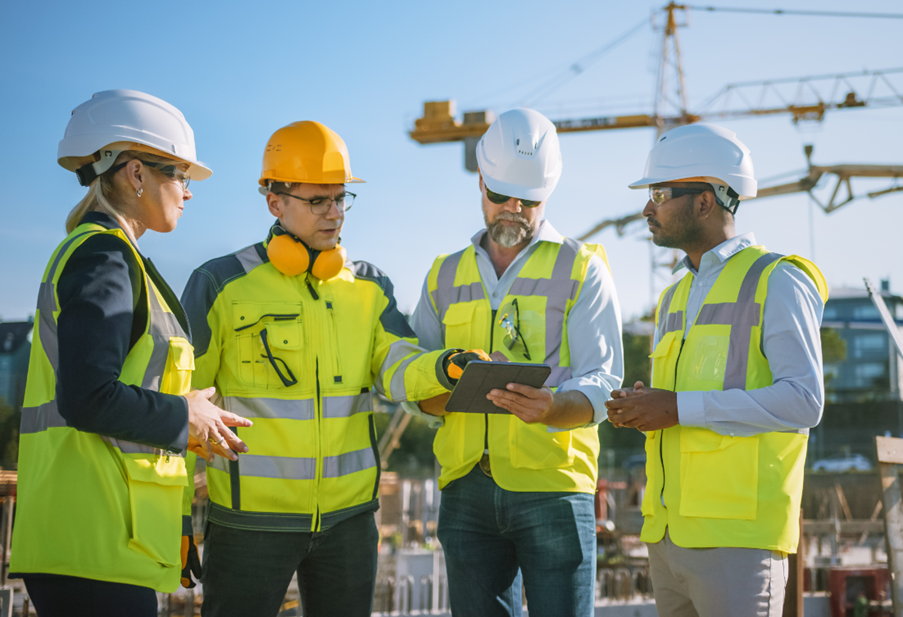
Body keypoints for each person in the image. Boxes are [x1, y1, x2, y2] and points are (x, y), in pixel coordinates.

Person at [180, 120, 471, 617]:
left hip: (349, 525)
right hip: (249, 524)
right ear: (274, 201)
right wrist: (179, 514)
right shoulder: (220, 284)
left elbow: (397, 366)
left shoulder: (370, 287)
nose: (335, 213)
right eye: (319, 201)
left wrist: (446, 368)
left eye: (341, 199)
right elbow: (185, 404)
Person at [10, 90, 253, 617]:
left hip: (99, 542)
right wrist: (183, 413)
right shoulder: (104, 256)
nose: (188, 192)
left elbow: (108, 389)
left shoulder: (110, 256)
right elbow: (87, 397)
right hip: (90, 542)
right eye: (179, 175)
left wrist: (188, 420)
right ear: (136, 174)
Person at [406, 108, 624, 617]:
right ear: (480, 180)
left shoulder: (582, 268)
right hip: (466, 488)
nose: (514, 209)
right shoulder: (444, 274)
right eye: (501, 195)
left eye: (528, 200)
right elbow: (415, 372)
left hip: (553, 487)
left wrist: (554, 407)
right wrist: (440, 388)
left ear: (547, 194)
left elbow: (604, 379)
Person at [605, 123, 828, 617]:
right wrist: (646, 405)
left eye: (659, 194)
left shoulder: (778, 279)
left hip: (739, 543)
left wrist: (678, 407)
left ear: (705, 201)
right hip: (667, 537)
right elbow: (686, 401)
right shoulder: (673, 295)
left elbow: (804, 401)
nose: (647, 208)